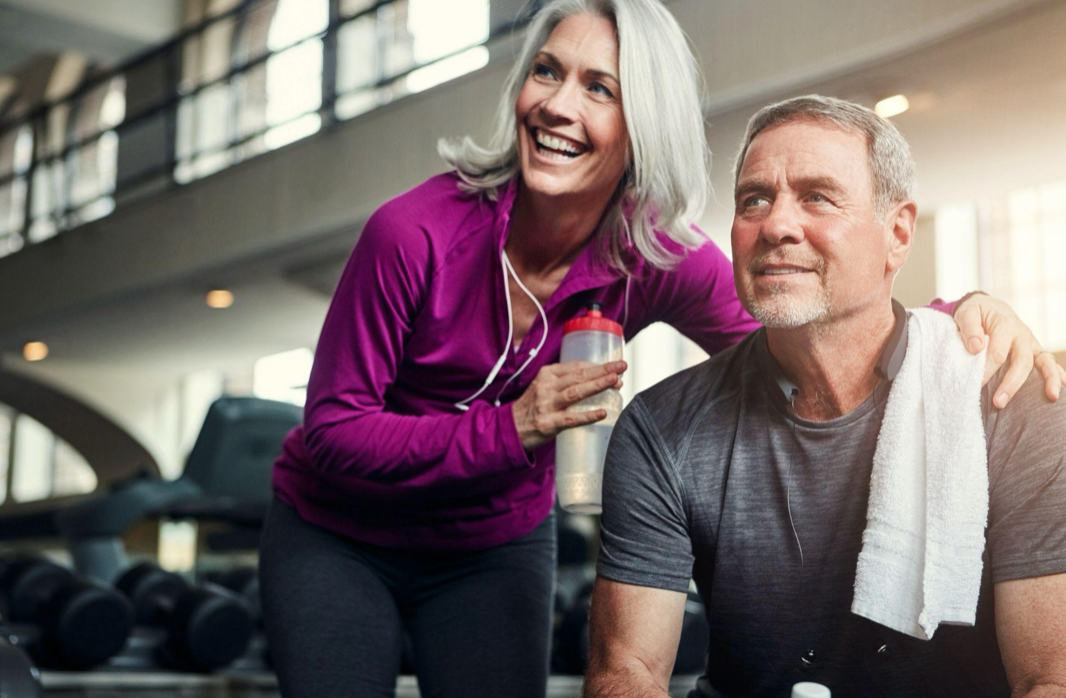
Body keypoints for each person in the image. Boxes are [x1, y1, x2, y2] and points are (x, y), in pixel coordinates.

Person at [258, 1, 1065, 696]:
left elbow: (807, 323)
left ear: (641, 125)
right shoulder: (413, 233)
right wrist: (512, 427)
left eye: (598, 88)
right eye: (546, 72)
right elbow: (330, 431)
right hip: (341, 532)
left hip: (490, 543)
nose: (556, 105)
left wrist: (961, 317)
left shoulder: (651, 253)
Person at [585, 95, 1066, 698]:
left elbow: (1050, 678)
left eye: (817, 196)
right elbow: (624, 674)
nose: (776, 225)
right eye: (753, 199)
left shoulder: (1012, 407)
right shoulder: (661, 428)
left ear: (896, 234)